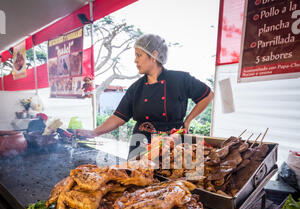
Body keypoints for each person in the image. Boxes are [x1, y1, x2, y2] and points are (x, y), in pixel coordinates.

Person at [76, 34, 214, 159]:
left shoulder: (180, 79)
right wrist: (94, 133)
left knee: (175, 182)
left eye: (139, 55)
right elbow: (118, 117)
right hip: (141, 143)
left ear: (153, 55)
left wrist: (188, 121)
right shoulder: (136, 87)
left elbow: (207, 95)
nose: (135, 60)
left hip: (172, 142)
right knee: (136, 182)